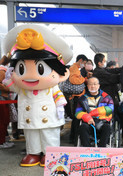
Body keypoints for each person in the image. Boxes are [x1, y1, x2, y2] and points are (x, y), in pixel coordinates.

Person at [3, 24, 72, 166]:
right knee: (31, 136)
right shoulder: (22, 88)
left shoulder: (52, 87)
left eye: (40, 68)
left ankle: (50, 154)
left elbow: (58, 96)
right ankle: (33, 153)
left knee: (49, 135)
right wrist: (7, 78)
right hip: (30, 118)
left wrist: (60, 107)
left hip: (49, 117)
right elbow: (11, 86)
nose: (29, 76)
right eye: (21, 68)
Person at [75, 77, 113, 147]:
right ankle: (87, 150)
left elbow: (110, 109)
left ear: (99, 85)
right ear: (87, 86)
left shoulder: (107, 97)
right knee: (82, 127)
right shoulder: (83, 98)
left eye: (95, 84)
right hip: (88, 123)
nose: (93, 86)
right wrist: (87, 117)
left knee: (107, 128)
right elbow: (78, 112)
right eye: (90, 84)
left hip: (102, 122)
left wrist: (94, 113)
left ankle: (102, 149)